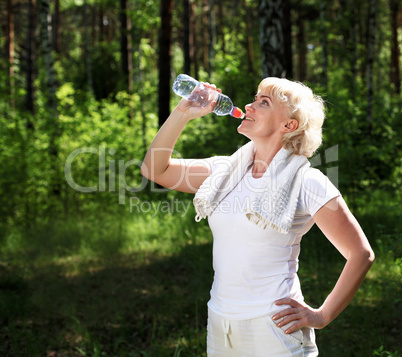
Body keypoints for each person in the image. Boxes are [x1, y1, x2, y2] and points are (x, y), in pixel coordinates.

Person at [141, 77, 374, 356]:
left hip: (274, 329)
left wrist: (322, 316)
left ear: (289, 125)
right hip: (220, 324)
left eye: (263, 103)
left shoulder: (308, 181)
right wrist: (182, 113)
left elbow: (361, 254)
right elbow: (155, 170)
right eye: (255, 98)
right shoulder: (225, 171)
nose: (249, 106)